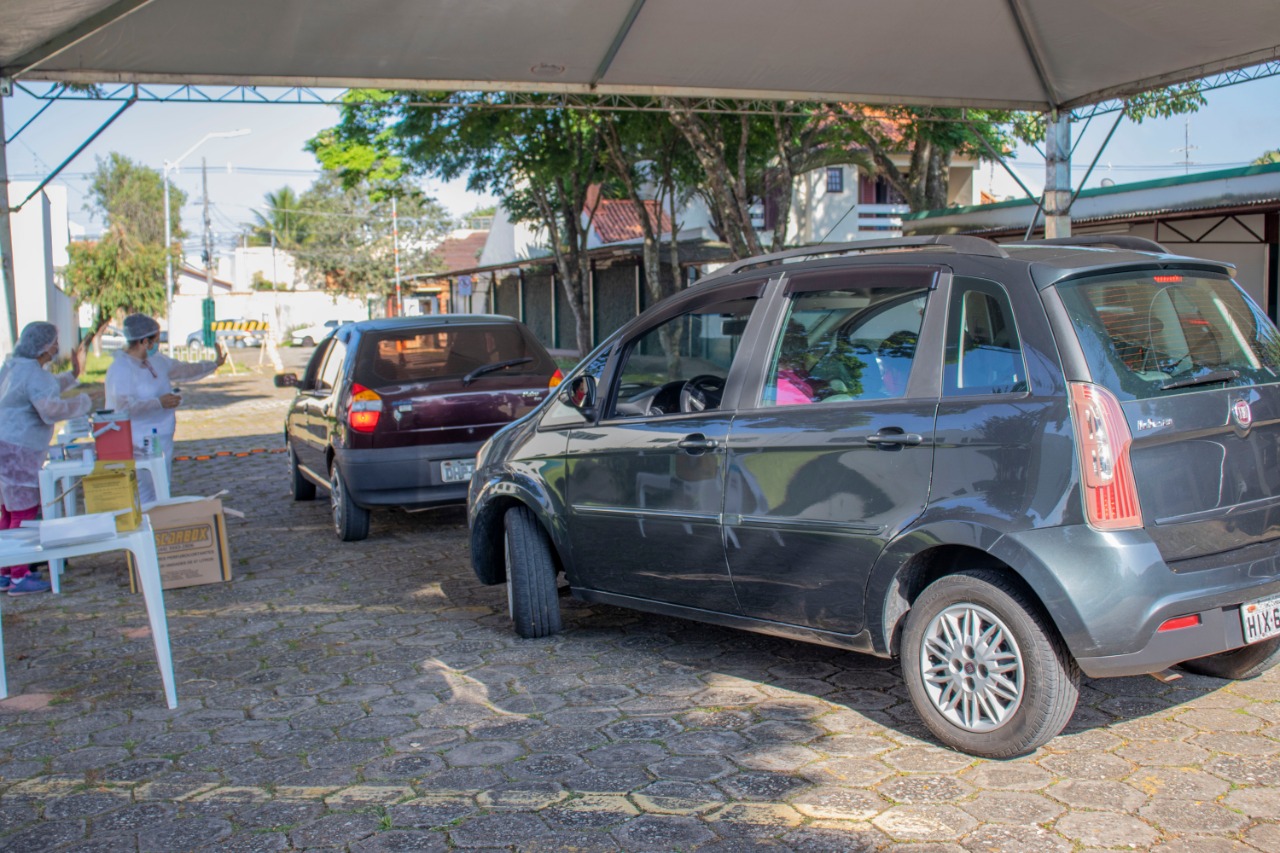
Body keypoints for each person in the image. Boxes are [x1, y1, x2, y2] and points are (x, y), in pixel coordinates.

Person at [0, 322, 94, 595]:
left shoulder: (14, 367)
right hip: (19, 450)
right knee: (23, 512)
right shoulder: (35, 376)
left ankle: (6, 571)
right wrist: (83, 403)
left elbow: (45, 387)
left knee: (7, 510)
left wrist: (73, 374)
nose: (56, 347)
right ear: (43, 346)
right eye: (54, 342)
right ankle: (20, 575)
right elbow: (49, 409)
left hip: (5, 447)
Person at [105, 314, 226, 504]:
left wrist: (213, 364)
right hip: (134, 441)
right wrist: (158, 402)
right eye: (156, 340)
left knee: (161, 490)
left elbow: (184, 370)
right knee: (142, 494)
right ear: (144, 341)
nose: (158, 345)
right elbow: (123, 406)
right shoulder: (121, 368)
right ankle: (147, 528)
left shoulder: (156, 361)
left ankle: (159, 527)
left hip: (160, 438)